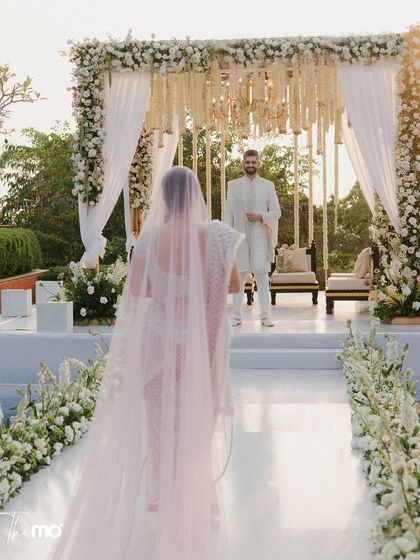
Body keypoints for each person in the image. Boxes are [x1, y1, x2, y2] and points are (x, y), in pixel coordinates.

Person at [47, 166, 243, 560]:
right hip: (197, 348)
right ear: (196, 195)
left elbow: (138, 290)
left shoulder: (150, 238)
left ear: (164, 200)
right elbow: (235, 284)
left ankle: (170, 500)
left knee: (161, 431)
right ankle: (191, 504)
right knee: (194, 426)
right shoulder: (218, 235)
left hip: (156, 347)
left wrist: (168, 286)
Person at [225, 149, 281, 327]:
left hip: (259, 237)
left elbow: (277, 212)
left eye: (253, 162)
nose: (250, 165)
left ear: (259, 163)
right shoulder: (233, 185)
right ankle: (236, 316)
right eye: (247, 162)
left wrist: (260, 216)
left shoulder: (267, 185)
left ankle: (265, 316)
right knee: (239, 278)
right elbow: (228, 215)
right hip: (240, 237)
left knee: (262, 277)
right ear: (243, 163)